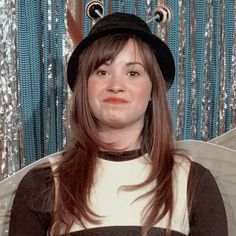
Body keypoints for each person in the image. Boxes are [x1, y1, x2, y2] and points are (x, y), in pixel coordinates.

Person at [9, 13, 227, 236]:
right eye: (102, 72)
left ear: (153, 89)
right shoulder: (43, 183)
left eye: (132, 73)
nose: (116, 85)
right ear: (85, 88)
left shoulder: (194, 181)